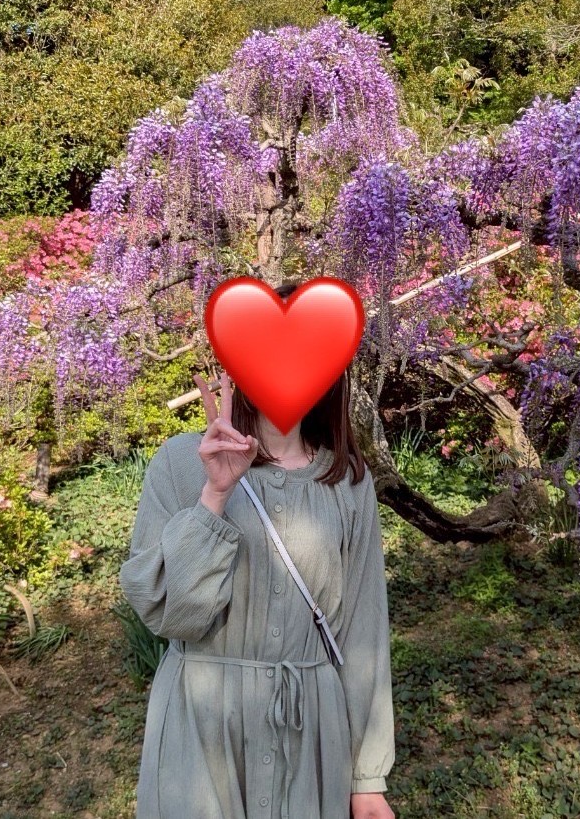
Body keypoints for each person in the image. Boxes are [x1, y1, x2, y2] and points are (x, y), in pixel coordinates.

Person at [119, 281, 396, 819]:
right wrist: (215, 496)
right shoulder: (180, 464)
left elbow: (363, 632)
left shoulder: (348, 481)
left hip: (309, 733)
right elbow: (165, 611)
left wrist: (366, 778)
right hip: (203, 734)